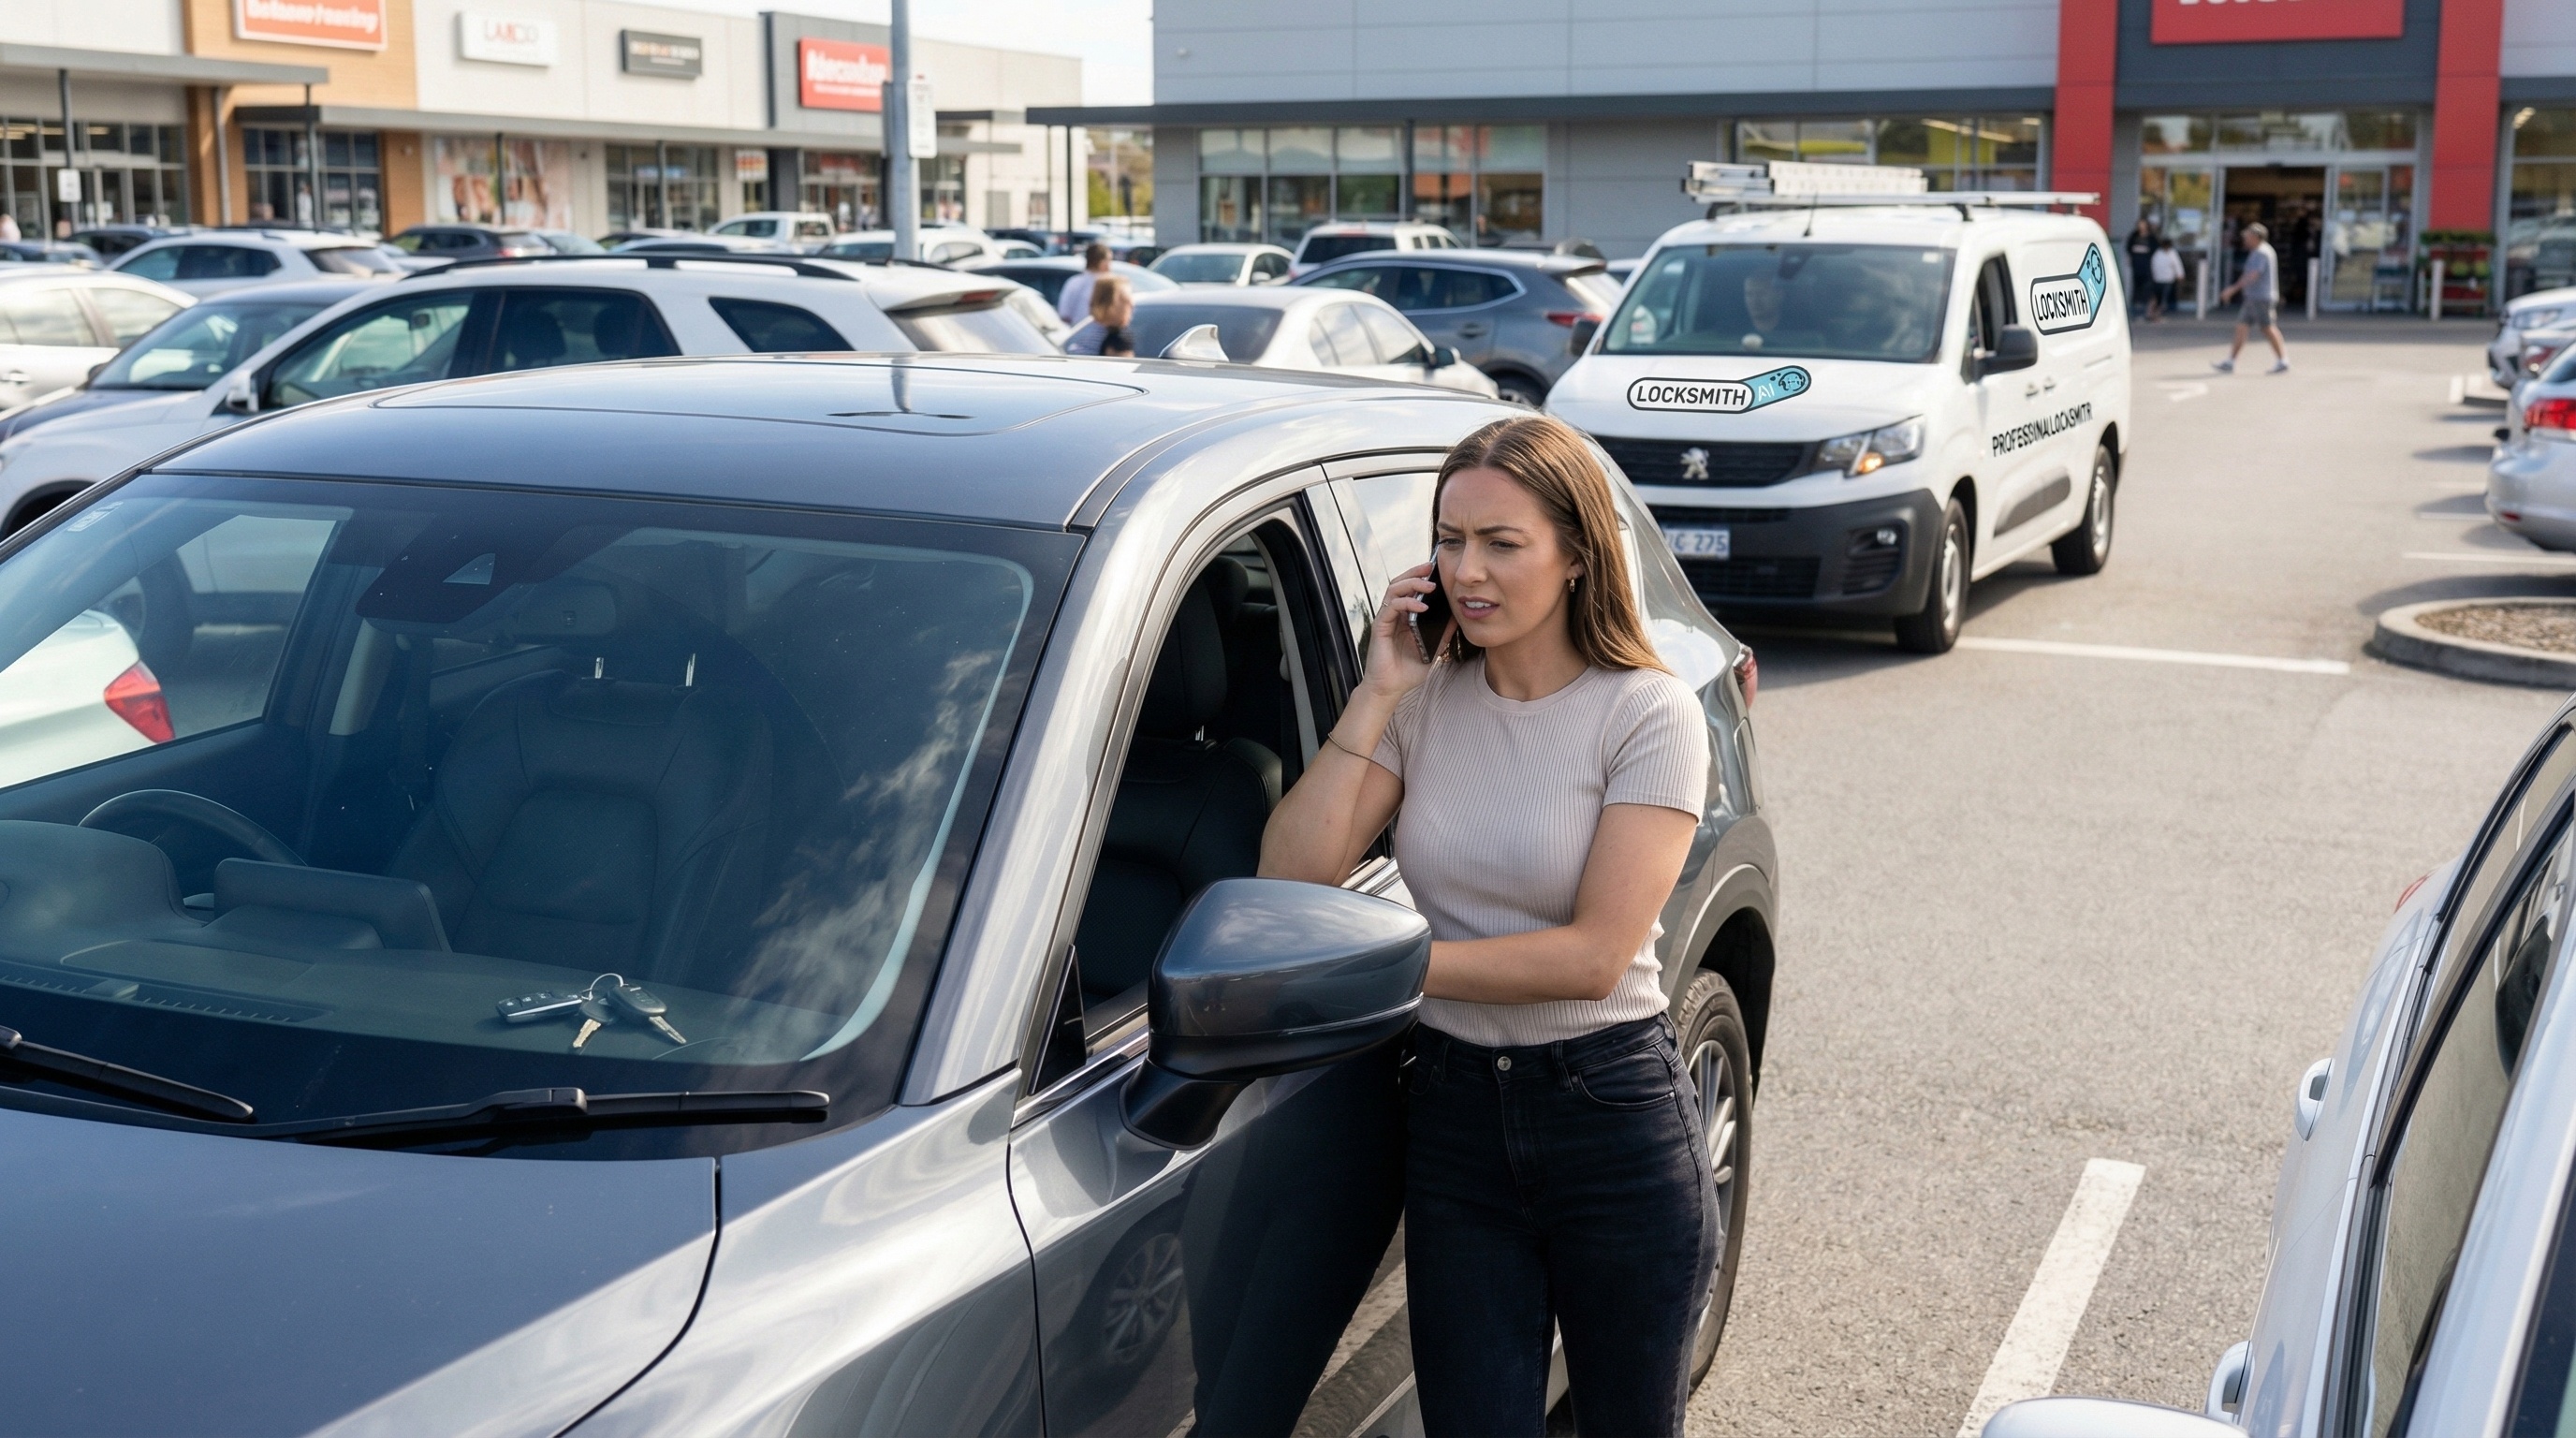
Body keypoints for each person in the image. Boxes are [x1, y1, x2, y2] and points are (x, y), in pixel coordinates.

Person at [1259, 415, 1718, 1438]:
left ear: (1575, 556)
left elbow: (1594, 957)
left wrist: (1383, 972)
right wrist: (1378, 691)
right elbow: (1291, 875)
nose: (1467, 571)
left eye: (1502, 543)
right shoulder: (1425, 704)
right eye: (1450, 539)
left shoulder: (1647, 713)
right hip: (1455, 1118)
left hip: (1609, 1116)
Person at [2216, 221, 2289, 374]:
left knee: (2267, 328)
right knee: (2241, 327)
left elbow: (2253, 275)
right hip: (2253, 297)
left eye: (2247, 236)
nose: (2245, 239)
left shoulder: (2261, 252)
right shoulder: (2260, 251)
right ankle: (2231, 361)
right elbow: (2248, 274)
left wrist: (2233, 289)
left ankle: (2282, 360)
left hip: (2260, 298)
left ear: (2255, 237)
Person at [1063, 275, 1134, 356]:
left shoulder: (1082, 330)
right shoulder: (1118, 337)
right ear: (1111, 305)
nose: (1132, 304)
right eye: (1125, 299)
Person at [1057, 241, 1111, 327]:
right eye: (1108, 261)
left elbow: (1064, 314)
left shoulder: (1073, 282)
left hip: (1074, 331)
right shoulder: (1108, 286)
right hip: (1097, 332)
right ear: (1102, 263)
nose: (1110, 266)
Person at [2126, 218, 2158, 319]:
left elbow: (2154, 249)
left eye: (2143, 225)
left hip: (2146, 266)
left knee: (2146, 289)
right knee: (2136, 289)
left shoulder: (2151, 238)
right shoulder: (2134, 236)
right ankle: (2135, 312)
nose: (2141, 227)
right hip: (2136, 266)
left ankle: (2145, 312)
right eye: (2140, 225)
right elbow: (2129, 248)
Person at [2148, 237, 2184, 321]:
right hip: (2159, 279)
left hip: (2167, 279)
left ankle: (2157, 314)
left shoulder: (2171, 253)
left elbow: (2177, 264)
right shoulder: (2158, 253)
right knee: (2158, 298)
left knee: (2163, 298)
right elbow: (2154, 265)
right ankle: (2154, 314)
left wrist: (2180, 274)